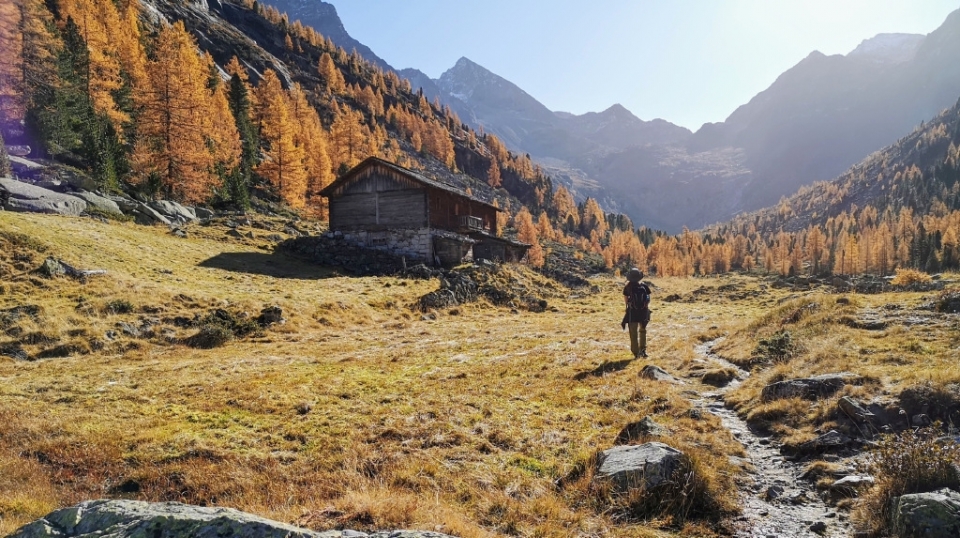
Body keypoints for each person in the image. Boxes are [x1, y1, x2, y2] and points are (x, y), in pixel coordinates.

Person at [621, 267, 651, 358]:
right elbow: (648, 299)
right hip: (643, 312)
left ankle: (636, 353)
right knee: (643, 330)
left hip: (632, 312)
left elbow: (626, 301)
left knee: (633, 333)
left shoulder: (627, 287)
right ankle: (643, 350)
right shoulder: (644, 286)